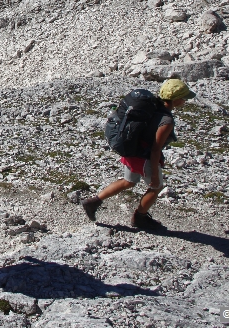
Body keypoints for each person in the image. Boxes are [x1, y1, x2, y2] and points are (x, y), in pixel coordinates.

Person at [81, 78, 195, 230]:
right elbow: (155, 149)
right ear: (176, 99)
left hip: (132, 150)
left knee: (128, 181)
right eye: (184, 98)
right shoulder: (166, 120)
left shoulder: (152, 106)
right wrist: (154, 174)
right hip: (144, 157)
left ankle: (93, 202)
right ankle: (139, 218)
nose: (185, 101)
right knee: (156, 188)